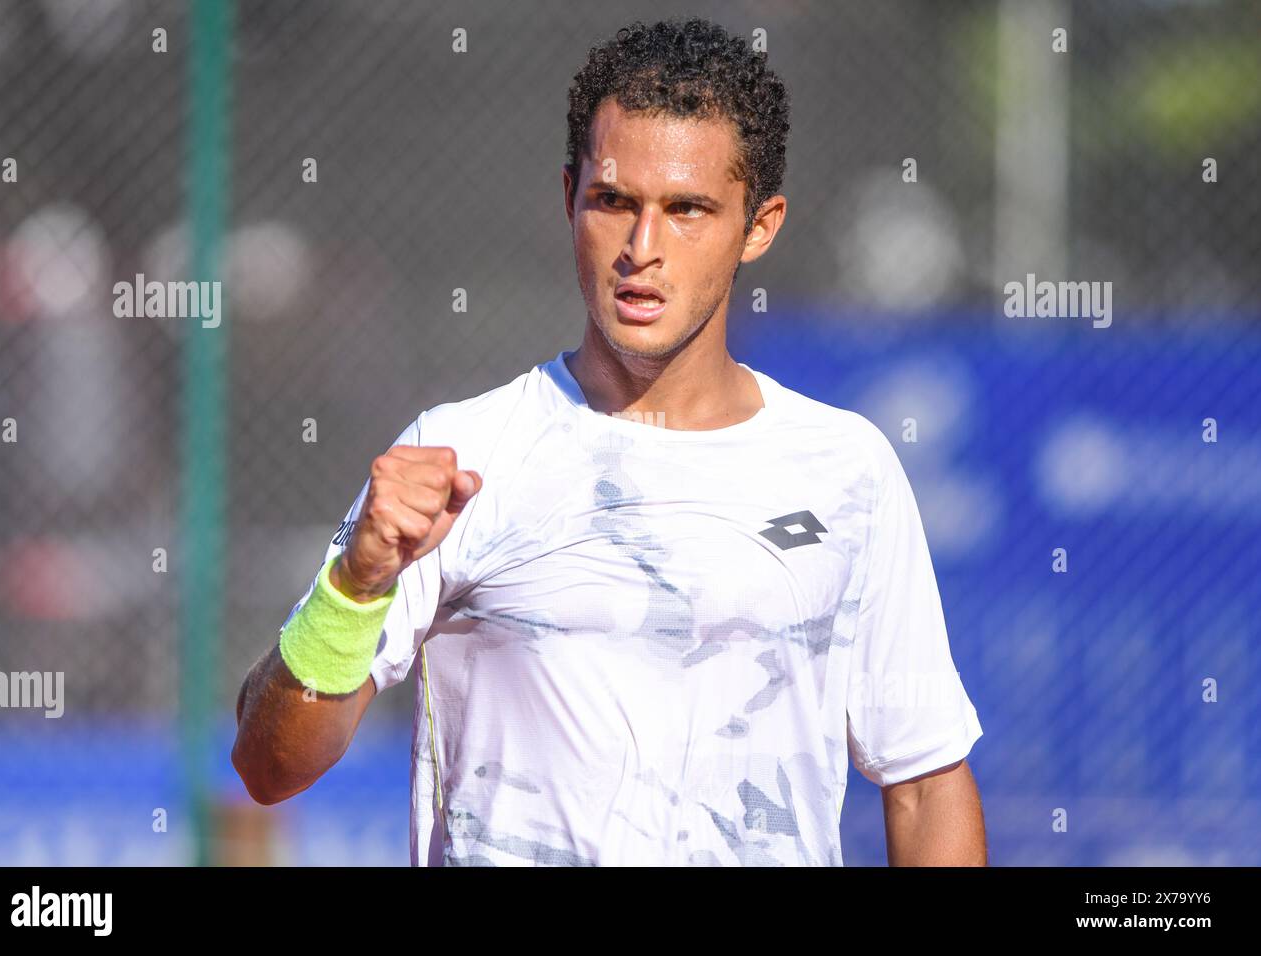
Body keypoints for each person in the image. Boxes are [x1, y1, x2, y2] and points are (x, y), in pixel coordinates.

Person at [233, 16, 986, 866]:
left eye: (688, 210)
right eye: (614, 202)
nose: (642, 249)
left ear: (760, 225)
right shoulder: (461, 454)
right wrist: (355, 582)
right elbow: (268, 768)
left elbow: (924, 784)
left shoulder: (850, 469)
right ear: (570, 200)